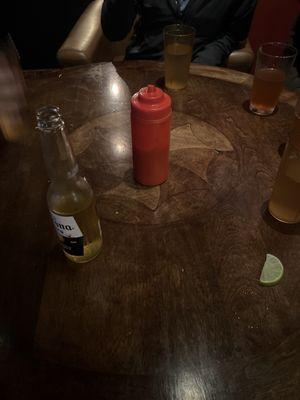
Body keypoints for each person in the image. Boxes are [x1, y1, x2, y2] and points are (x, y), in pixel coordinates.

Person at [101, 0, 257, 66]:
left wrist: (204, 62)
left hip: (201, 71)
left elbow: (233, 34)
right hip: (144, 66)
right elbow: (114, 32)